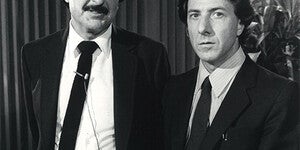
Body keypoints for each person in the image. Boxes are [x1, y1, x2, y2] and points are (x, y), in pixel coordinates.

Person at [21, 0, 170, 149]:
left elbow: (158, 136)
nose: (98, 1)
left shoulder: (150, 56)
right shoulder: (34, 54)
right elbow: (38, 133)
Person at [162, 0, 299, 149]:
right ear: (187, 29)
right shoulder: (172, 89)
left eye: (217, 14)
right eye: (195, 15)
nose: (203, 28)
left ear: (240, 25)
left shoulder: (280, 95)